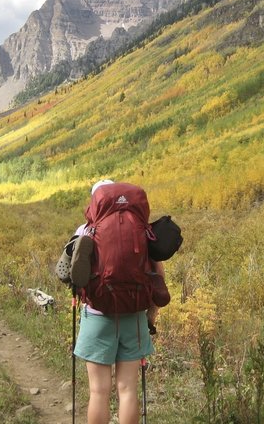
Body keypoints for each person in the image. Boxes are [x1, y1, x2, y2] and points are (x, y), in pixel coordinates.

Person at [71, 179, 165, 424]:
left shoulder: (85, 230)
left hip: (97, 314)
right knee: (128, 390)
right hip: (133, 316)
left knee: (98, 392)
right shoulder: (143, 229)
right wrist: (150, 316)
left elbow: (69, 273)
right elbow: (158, 276)